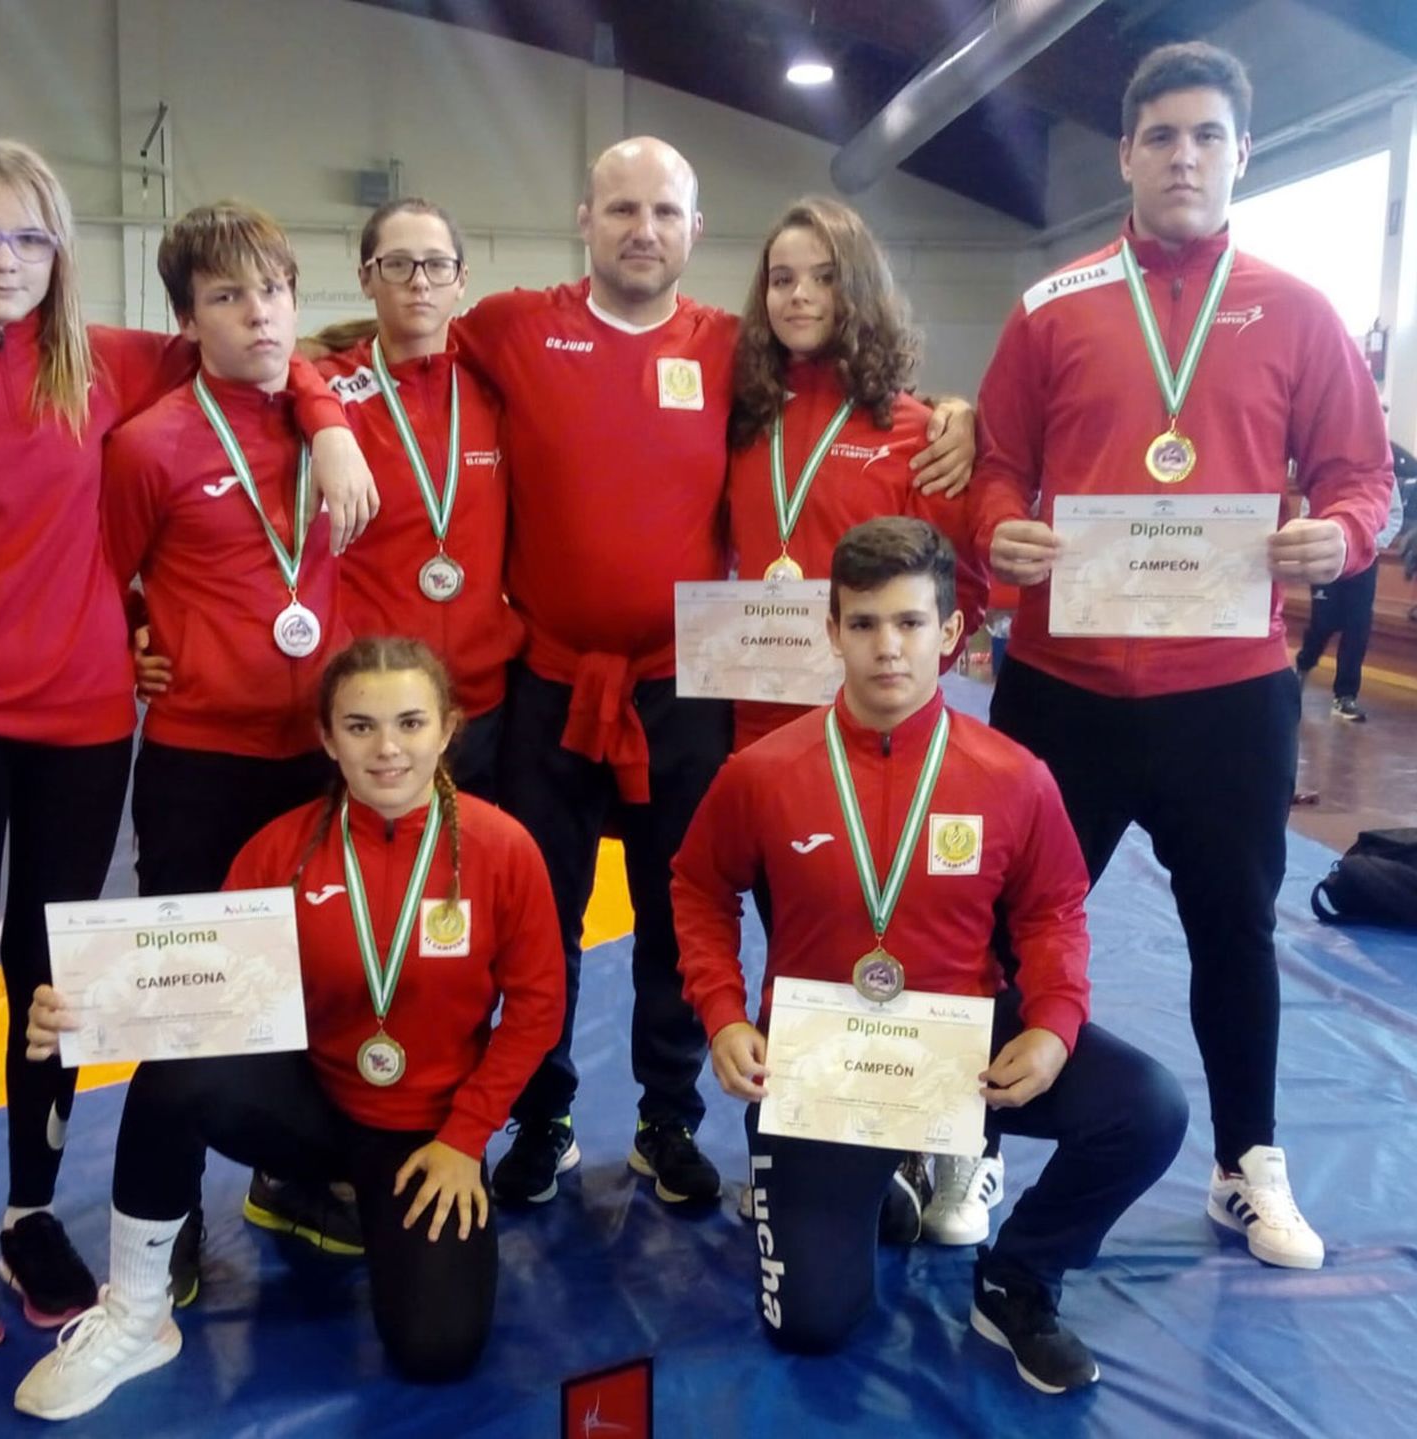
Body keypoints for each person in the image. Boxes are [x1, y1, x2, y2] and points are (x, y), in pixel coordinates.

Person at [0, 137, 367, 1358]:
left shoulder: (109, 362)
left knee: (53, 982)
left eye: (28, 235)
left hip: (82, 726)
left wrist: (327, 422)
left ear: (61, 245)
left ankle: (27, 1211)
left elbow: (264, 350)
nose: (5, 258)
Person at [456, 137, 975, 1208]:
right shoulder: (512, 325)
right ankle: (542, 1112)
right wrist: (320, 420)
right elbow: (397, 352)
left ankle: (667, 1117)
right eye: (620, 209)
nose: (641, 229)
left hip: (689, 686)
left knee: (678, 904)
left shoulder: (735, 355)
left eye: (664, 211)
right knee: (538, 912)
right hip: (549, 681)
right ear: (584, 218)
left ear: (694, 230)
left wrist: (965, 419)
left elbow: (863, 382)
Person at [973, 43, 1393, 1270]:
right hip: (1063, 686)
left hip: (1228, 692)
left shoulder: (1300, 308)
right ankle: (977, 1134)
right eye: (1160, 136)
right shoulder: (1050, 307)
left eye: (1207, 136)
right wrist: (990, 525)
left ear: (1240, 153)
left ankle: (1242, 1160)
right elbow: (995, 464)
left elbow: (1360, 477)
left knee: (1233, 930)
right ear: (1124, 154)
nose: (1183, 157)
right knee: (1002, 925)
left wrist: (1345, 532)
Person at [672, 517, 1187, 1394]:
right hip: (823, 1064)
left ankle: (1017, 1277)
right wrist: (722, 1013)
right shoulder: (763, 772)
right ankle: (888, 1180)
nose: (887, 648)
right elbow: (696, 889)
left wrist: (1057, 1023)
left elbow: (1055, 908)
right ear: (831, 630)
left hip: (961, 1053)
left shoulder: (1014, 775)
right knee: (813, 1327)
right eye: (865, 623)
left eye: (911, 624)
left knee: (1148, 1108)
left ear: (950, 634)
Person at [12, 638, 564, 1420]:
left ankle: (354, 1203)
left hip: (428, 1138)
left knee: (438, 1351)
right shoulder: (282, 849)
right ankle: (138, 1315)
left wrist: (467, 1139)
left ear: (448, 729)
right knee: (175, 1078)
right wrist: (88, 1010)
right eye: (361, 725)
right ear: (328, 738)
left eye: (409, 721)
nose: (387, 747)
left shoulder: (504, 850)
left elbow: (538, 1007)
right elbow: (203, 997)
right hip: (312, 1109)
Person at [725, 195, 989, 1241]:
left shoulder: (920, 431)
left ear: (860, 287)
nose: (799, 294)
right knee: (799, 933)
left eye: (823, 275)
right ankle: (802, 1129)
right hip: (763, 727)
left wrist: (968, 421)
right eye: (782, 276)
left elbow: (956, 586)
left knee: (915, 922)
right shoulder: (739, 415)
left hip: (889, 732)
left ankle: (936, 1134)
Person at [102, 201, 353, 1296]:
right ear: (185, 317)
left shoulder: (330, 425)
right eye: (226, 296)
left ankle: (287, 1178)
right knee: (188, 996)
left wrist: (327, 411)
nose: (259, 314)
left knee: (312, 984)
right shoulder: (148, 444)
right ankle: (162, 1225)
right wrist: (136, 648)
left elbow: (312, 374)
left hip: (323, 762)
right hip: (202, 761)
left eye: (274, 290)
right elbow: (94, 579)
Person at [314, 198, 521, 798]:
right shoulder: (327, 392)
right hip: (374, 704)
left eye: (436, 265)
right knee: (377, 877)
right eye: (398, 264)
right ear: (365, 278)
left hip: (484, 700)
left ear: (461, 280)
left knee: (464, 881)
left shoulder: (496, 387)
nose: (419, 282)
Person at [1295, 472, 1404, 721]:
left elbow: (1393, 515)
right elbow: (1307, 511)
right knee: (1323, 622)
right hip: (1327, 560)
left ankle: (1345, 696)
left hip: (1364, 561)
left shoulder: (1383, 473)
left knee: (1358, 626)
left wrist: (1371, 544)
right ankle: (1303, 665)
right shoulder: (1326, 466)